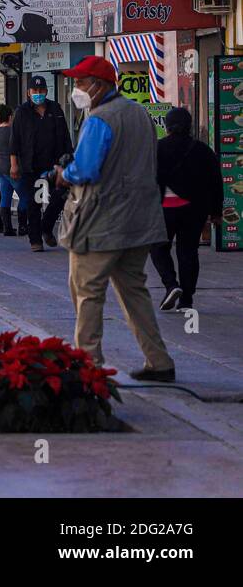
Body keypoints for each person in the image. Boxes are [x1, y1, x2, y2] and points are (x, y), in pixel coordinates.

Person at [54, 56, 175, 382]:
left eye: (81, 82)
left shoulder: (99, 119)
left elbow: (88, 169)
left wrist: (65, 174)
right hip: (140, 221)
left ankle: (88, 365)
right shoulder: (140, 114)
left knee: (87, 291)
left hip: (101, 222)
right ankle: (159, 361)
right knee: (135, 291)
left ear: (99, 85)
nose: (77, 89)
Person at [150, 107, 223, 313]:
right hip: (195, 209)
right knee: (188, 251)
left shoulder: (158, 148)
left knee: (157, 247)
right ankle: (187, 299)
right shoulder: (203, 150)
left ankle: (171, 284)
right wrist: (216, 212)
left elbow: (147, 179)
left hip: (165, 208)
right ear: (190, 126)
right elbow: (216, 182)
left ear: (166, 125)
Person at [10, 75, 73, 252]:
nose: (38, 93)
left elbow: (66, 136)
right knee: (34, 203)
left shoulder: (56, 108)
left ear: (46, 91)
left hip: (55, 165)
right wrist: (13, 164)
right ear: (28, 92)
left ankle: (46, 227)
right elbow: (15, 140)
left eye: (41, 90)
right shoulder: (22, 112)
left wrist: (69, 158)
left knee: (60, 197)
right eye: (34, 91)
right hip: (32, 166)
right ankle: (35, 239)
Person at [0, 106, 27, 236]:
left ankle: (7, 228)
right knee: (24, 197)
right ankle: (23, 226)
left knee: (5, 197)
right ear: (10, 117)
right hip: (12, 168)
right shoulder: (12, 130)